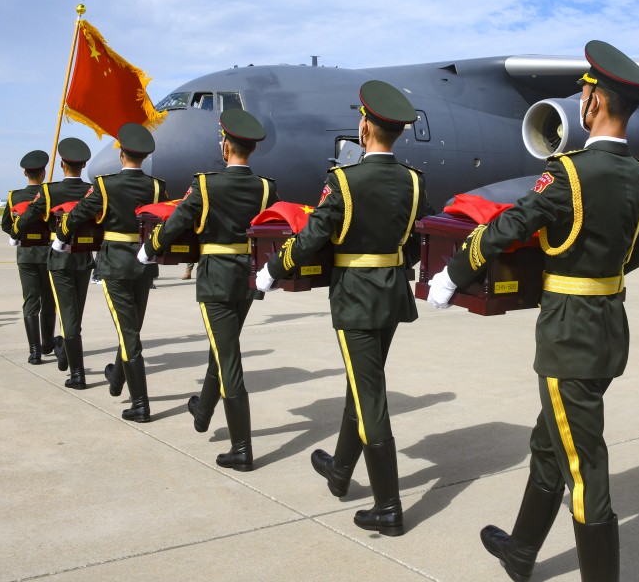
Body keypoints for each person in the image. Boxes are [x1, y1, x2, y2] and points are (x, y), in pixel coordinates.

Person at [427, 40, 639, 582]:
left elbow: (509, 226)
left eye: (584, 92)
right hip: (608, 330)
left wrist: (452, 274)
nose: (581, 100)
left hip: (569, 337)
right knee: (548, 443)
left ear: (595, 101)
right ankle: (521, 552)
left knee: (584, 468)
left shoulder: (570, 174)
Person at [257, 79, 433, 535]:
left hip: (356, 295)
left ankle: (389, 506)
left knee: (369, 393)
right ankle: (339, 470)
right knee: (364, 381)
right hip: (391, 292)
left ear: (365, 127)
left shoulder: (345, 182)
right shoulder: (414, 182)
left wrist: (273, 269)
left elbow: (313, 236)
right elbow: (417, 241)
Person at [138, 108, 277, 471]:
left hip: (216, 277)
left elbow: (178, 221)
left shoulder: (206, 185)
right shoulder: (266, 187)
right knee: (223, 346)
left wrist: (150, 248)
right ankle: (203, 410)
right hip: (247, 277)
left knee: (228, 357)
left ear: (226, 145)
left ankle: (242, 448)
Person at [55, 123, 166, 422]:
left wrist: (61, 234)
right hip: (144, 265)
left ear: (121, 154)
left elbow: (79, 213)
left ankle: (141, 403)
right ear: (143, 157)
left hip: (115, 264)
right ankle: (117, 379)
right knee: (132, 327)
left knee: (128, 331)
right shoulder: (156, 186)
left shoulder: (106, 185)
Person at [14, 138, 95, 387]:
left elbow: (26, 217)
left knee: (64, 310)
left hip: (59, 258)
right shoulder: (92, 190)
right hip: (83, 257)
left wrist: (17, 230)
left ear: (62, 164)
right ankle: (61, 349)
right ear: (83, 165)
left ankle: (71, 365)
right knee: (74, 312)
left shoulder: (50, 191)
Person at [2, 149, 60, 365]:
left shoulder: (14, 196)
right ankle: (46, 344)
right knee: (49, 300)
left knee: (30, 301)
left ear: (25, 172)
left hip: (26, 254)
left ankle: (34, 351)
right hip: (47, 252)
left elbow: (6, 225)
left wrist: (19, 237)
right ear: (44, 173)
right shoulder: (50, 194)